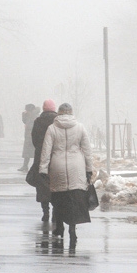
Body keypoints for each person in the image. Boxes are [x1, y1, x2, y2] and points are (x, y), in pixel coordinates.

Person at [39, 103, 93, 244]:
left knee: (59, 196)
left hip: (57, 165)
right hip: (77, 165)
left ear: (59, 113)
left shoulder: (52, 129)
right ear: (71, 113)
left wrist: (43, 169)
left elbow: (46, 151)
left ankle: (60, 226)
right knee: (74, 197)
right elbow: (87, 150)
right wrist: (89, 169)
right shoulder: (80, 127)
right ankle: (73, 228)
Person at [27, 100, 57, 222]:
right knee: (56, 183)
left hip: (40, 156)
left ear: (44, 109)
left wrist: (40, 148)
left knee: (42, 184)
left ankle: (45, 212)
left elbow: (34, 139)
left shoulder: (38, 121)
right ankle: (56, 211)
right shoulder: (57, 121)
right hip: (55, 156)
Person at [18, 103, 41, 172]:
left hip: (31, 136)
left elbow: (31, 125)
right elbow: (25, 121)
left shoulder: (33, 116)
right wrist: (24, 114)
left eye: (26, 110)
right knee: (29, 152)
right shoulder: (30, 115)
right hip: (29, 136)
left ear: (29, 110)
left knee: (32, 152)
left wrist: (28, 129)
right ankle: (26, 166)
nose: (25, 111)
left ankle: (27, 166)